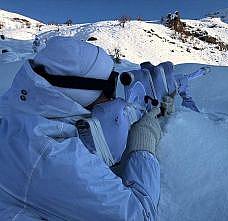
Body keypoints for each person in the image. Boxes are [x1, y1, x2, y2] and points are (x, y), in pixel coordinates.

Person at [0, 36, 170, 220]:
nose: (113, 97)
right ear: (79, 91)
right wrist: (144, 142)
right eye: (109, 87)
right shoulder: (50, 153)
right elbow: (141, 215)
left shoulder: (17, 107)